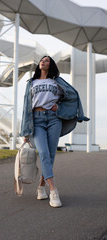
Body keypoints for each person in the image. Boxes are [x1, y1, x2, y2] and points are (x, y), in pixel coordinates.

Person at [20, 56, 89, 208]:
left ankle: (41, 187)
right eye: (41, 60)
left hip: (53, 119)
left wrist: (60, 108)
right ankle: (53, 190)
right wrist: (26, 132)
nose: (43, 62)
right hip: (37, 120)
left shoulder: (57, 82)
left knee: (50, 156)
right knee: (43, 153)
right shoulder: (32, 83)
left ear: (50, 65)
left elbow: (73, 96)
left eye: (46, 60)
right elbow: (26, 106)